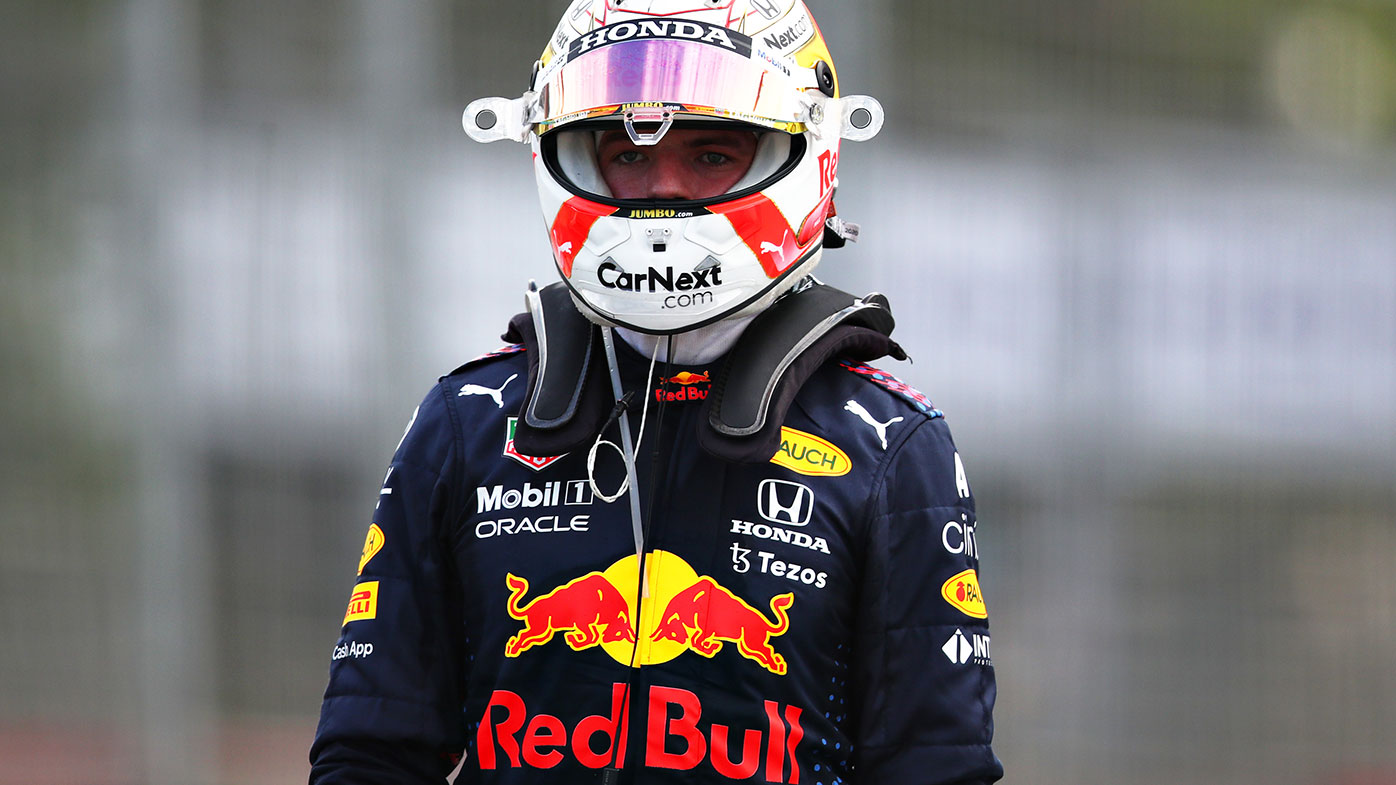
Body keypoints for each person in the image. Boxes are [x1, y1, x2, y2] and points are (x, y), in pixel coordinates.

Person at [309, 1, 1002, 783]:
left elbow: (938, 768)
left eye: (711, 154)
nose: (661, 190)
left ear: (808, 151)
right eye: (627, 154)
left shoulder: (890, 447)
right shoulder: (468, 421)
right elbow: (370, 753)